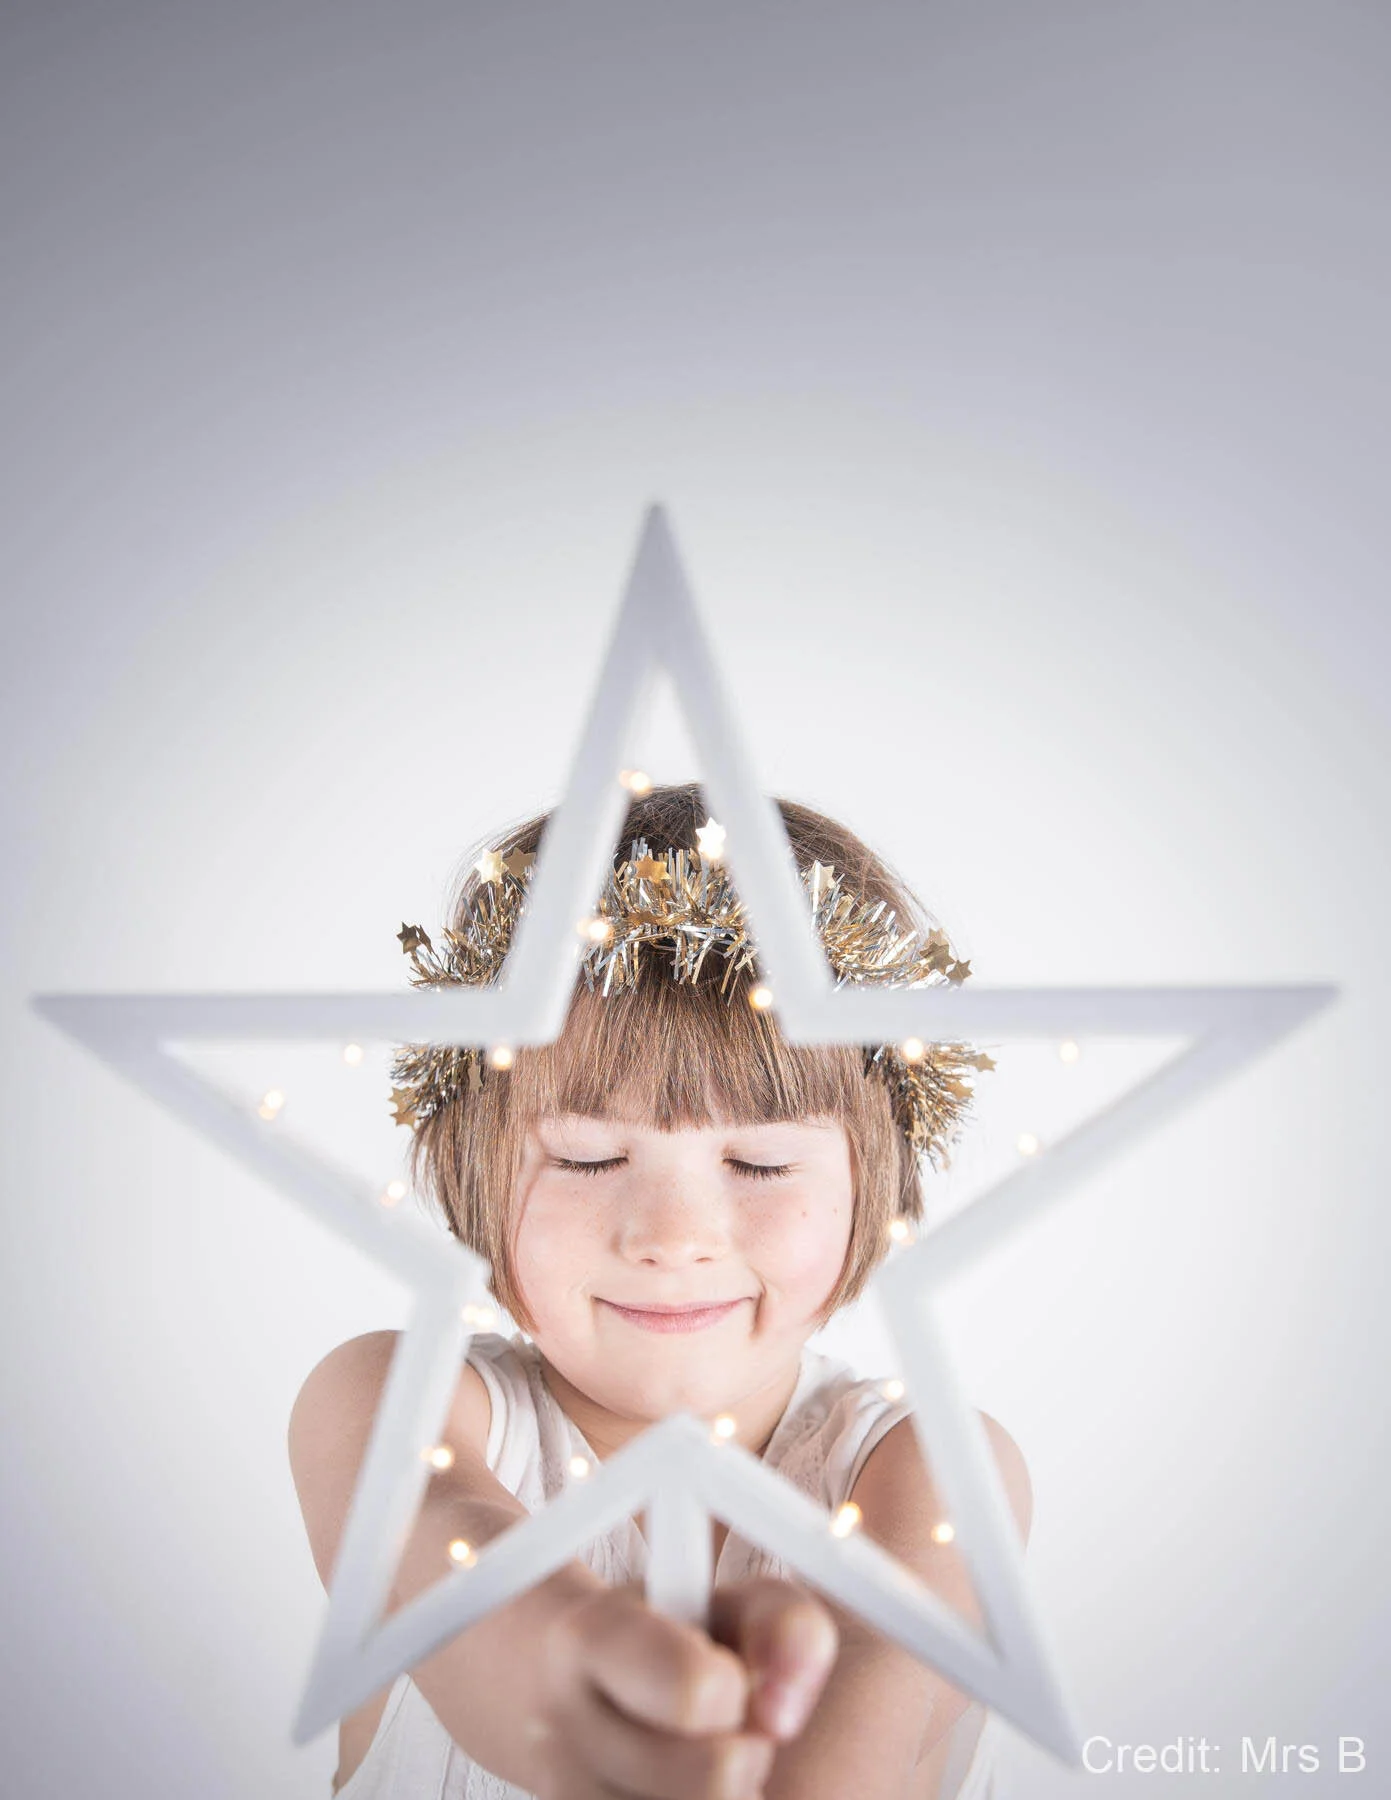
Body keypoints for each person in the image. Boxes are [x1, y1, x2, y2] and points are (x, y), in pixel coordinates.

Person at [289, 782, 1032, 1799]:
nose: (673, 1238)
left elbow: (856, 1738)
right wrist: (579, 1661)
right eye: (589, 1158)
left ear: (873, 1181)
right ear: (472, 1167)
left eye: (763, 1163)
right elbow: (446, 1564)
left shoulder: (931, 1471)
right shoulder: (392, 1401)